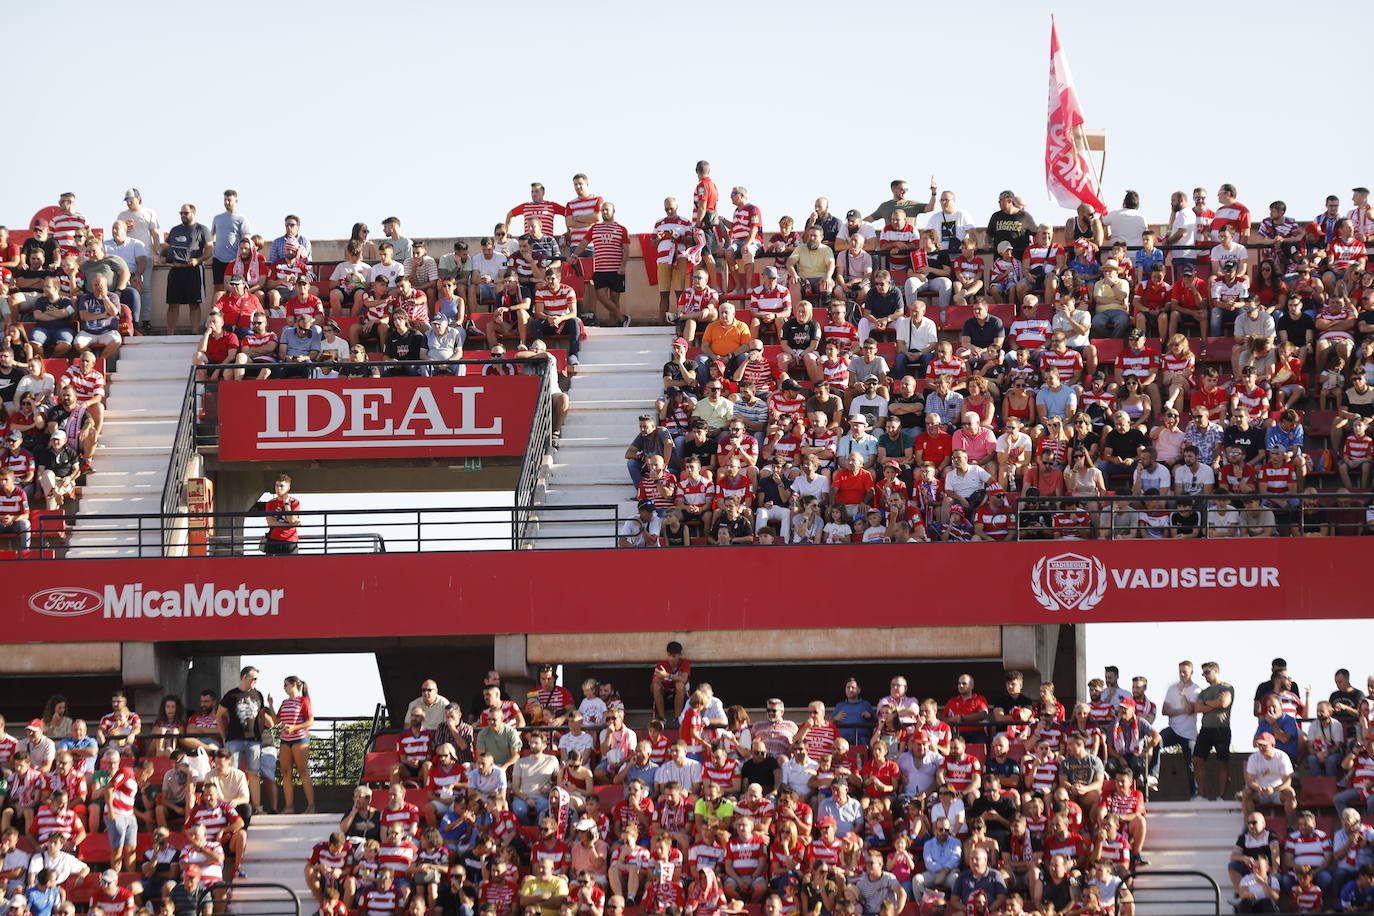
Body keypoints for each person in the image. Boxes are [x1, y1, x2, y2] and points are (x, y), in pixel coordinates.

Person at [218, 666, 274, 813]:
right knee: (232, 773)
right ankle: (233, 807)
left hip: (254, 740)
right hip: (234, 740)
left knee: (254, 773)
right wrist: (224, 737)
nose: (256, 681)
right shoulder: (231, 695)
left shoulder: (258, 695)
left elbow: (263, 716)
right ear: (244, 677)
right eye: (254, 678)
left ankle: (257, 807)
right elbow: (219, 716)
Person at [159, 204, 211, 335]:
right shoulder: (175, 230)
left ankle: (194, 332)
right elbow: (165, 247)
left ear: (193, 213)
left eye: (186, 213)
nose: (183, 215)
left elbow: (210, 250)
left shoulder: (202, 229)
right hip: (176, 270)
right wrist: (160, 256)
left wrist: (198, 260)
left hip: (193, 271)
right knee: (172, 304)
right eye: (181, 213)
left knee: (194, 304)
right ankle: (169, 334)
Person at [263, 474, 300, 555]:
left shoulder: (294, 502)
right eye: (276, 485)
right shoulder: (270, 503)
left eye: (281, 486)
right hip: (273, 540)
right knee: (270, 567)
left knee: (291, 567)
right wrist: (290, 525)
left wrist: (286, 503)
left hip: (290, 541)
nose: (278, 488)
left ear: (288, 487)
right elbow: (270, 523)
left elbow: (292, 520)